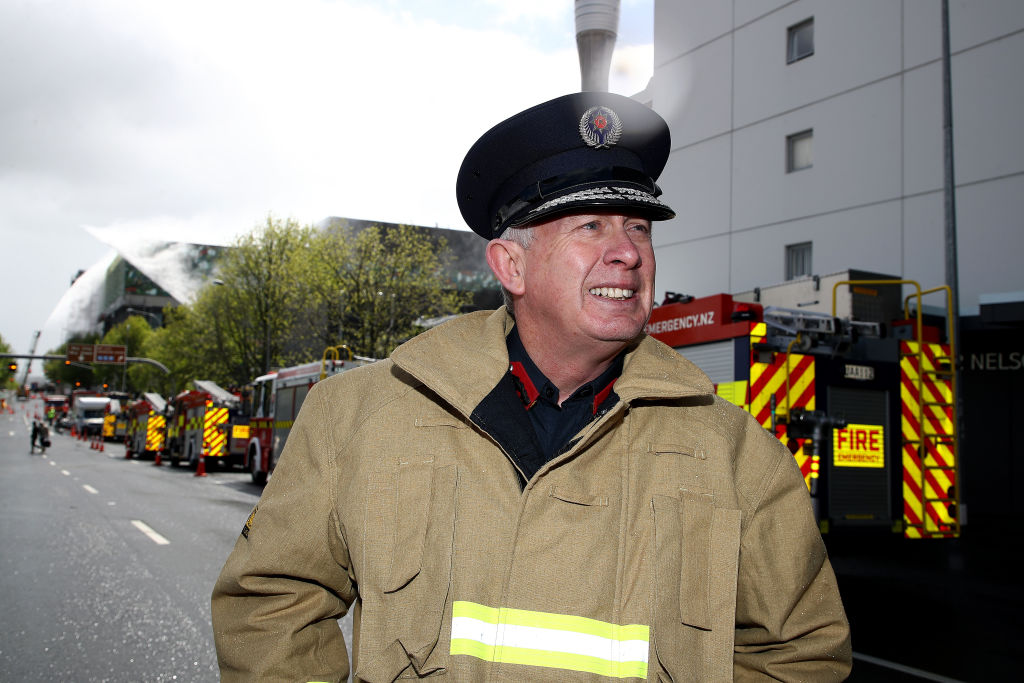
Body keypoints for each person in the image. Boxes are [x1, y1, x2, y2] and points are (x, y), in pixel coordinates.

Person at [212, 92, 851, 681]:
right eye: (591, 226)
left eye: (639, 227)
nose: (628, 252)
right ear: (510, 264)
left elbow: (799, 655)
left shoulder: (737, 453)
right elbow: (272, 604)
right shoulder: (358, 416)